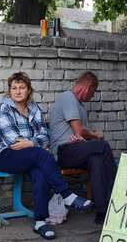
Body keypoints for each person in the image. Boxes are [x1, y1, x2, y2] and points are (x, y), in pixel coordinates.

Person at [0, 72, 92, 240]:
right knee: (41, 154)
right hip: (4, 156)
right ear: (9, 92)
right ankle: (67, 195)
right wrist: (35, 143)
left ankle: (40, 222)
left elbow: (45, 135)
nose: (17, 91)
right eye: (14, 88)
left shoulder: (35, 109)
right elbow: (13, 142)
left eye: (22, 87)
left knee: (40, 172)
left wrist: (30, 143)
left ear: (29, 90)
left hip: (30, 154)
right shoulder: (4, 109)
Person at [49, 71, 117, 225]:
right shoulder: (68, 98)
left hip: (77, 150)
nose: (92, 97)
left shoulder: (80, 106)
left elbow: (79, 134)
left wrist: (85, 137)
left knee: (97, 160)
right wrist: (96, 135)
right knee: (103, 145)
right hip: (63, 152)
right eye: (93, 93)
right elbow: (79, 131)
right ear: (89, 86)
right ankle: (116, 196)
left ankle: (102, 211)